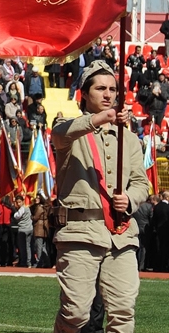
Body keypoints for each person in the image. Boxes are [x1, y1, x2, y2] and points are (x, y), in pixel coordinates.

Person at [51, 60, 149, 332]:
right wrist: (100, 119)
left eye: (113, 89)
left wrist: (130, 198)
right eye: (100, 88)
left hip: (121, 233)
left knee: (123, 312)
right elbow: (61, 134)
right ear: (84, 93)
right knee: (76, 314)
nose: (108, 95)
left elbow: (141, 183)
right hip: (81, 232)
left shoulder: (128, 138)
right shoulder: (68, 128)